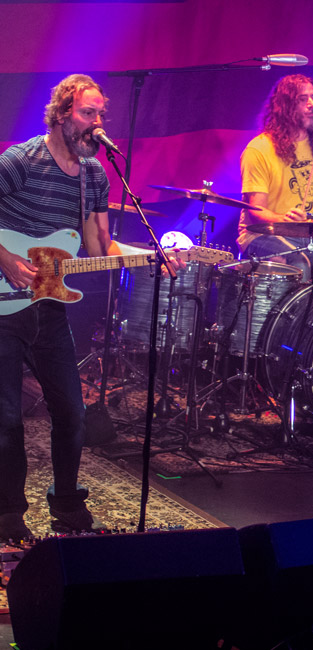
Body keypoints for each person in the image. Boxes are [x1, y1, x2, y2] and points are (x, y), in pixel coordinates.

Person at [0, 75, 181, 541]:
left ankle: (66, 504)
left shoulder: (96, 174)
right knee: (7, 419)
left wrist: (152, 256)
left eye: (101, 115)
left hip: (50, 307)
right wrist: (5, 258)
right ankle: (6, 516)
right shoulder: (21, 160)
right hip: (4, 303)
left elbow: (100, 244)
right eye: (87, 113)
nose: (97, 124)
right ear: (62, 115)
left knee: (72, 411)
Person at [237, 74, 313, 280]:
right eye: (303, 99)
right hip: (262, 235)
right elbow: (256, 212)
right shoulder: (259, 149)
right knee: (298, 263)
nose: (312, 104)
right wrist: (284, 220)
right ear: (285, 106)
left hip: (309, 233)